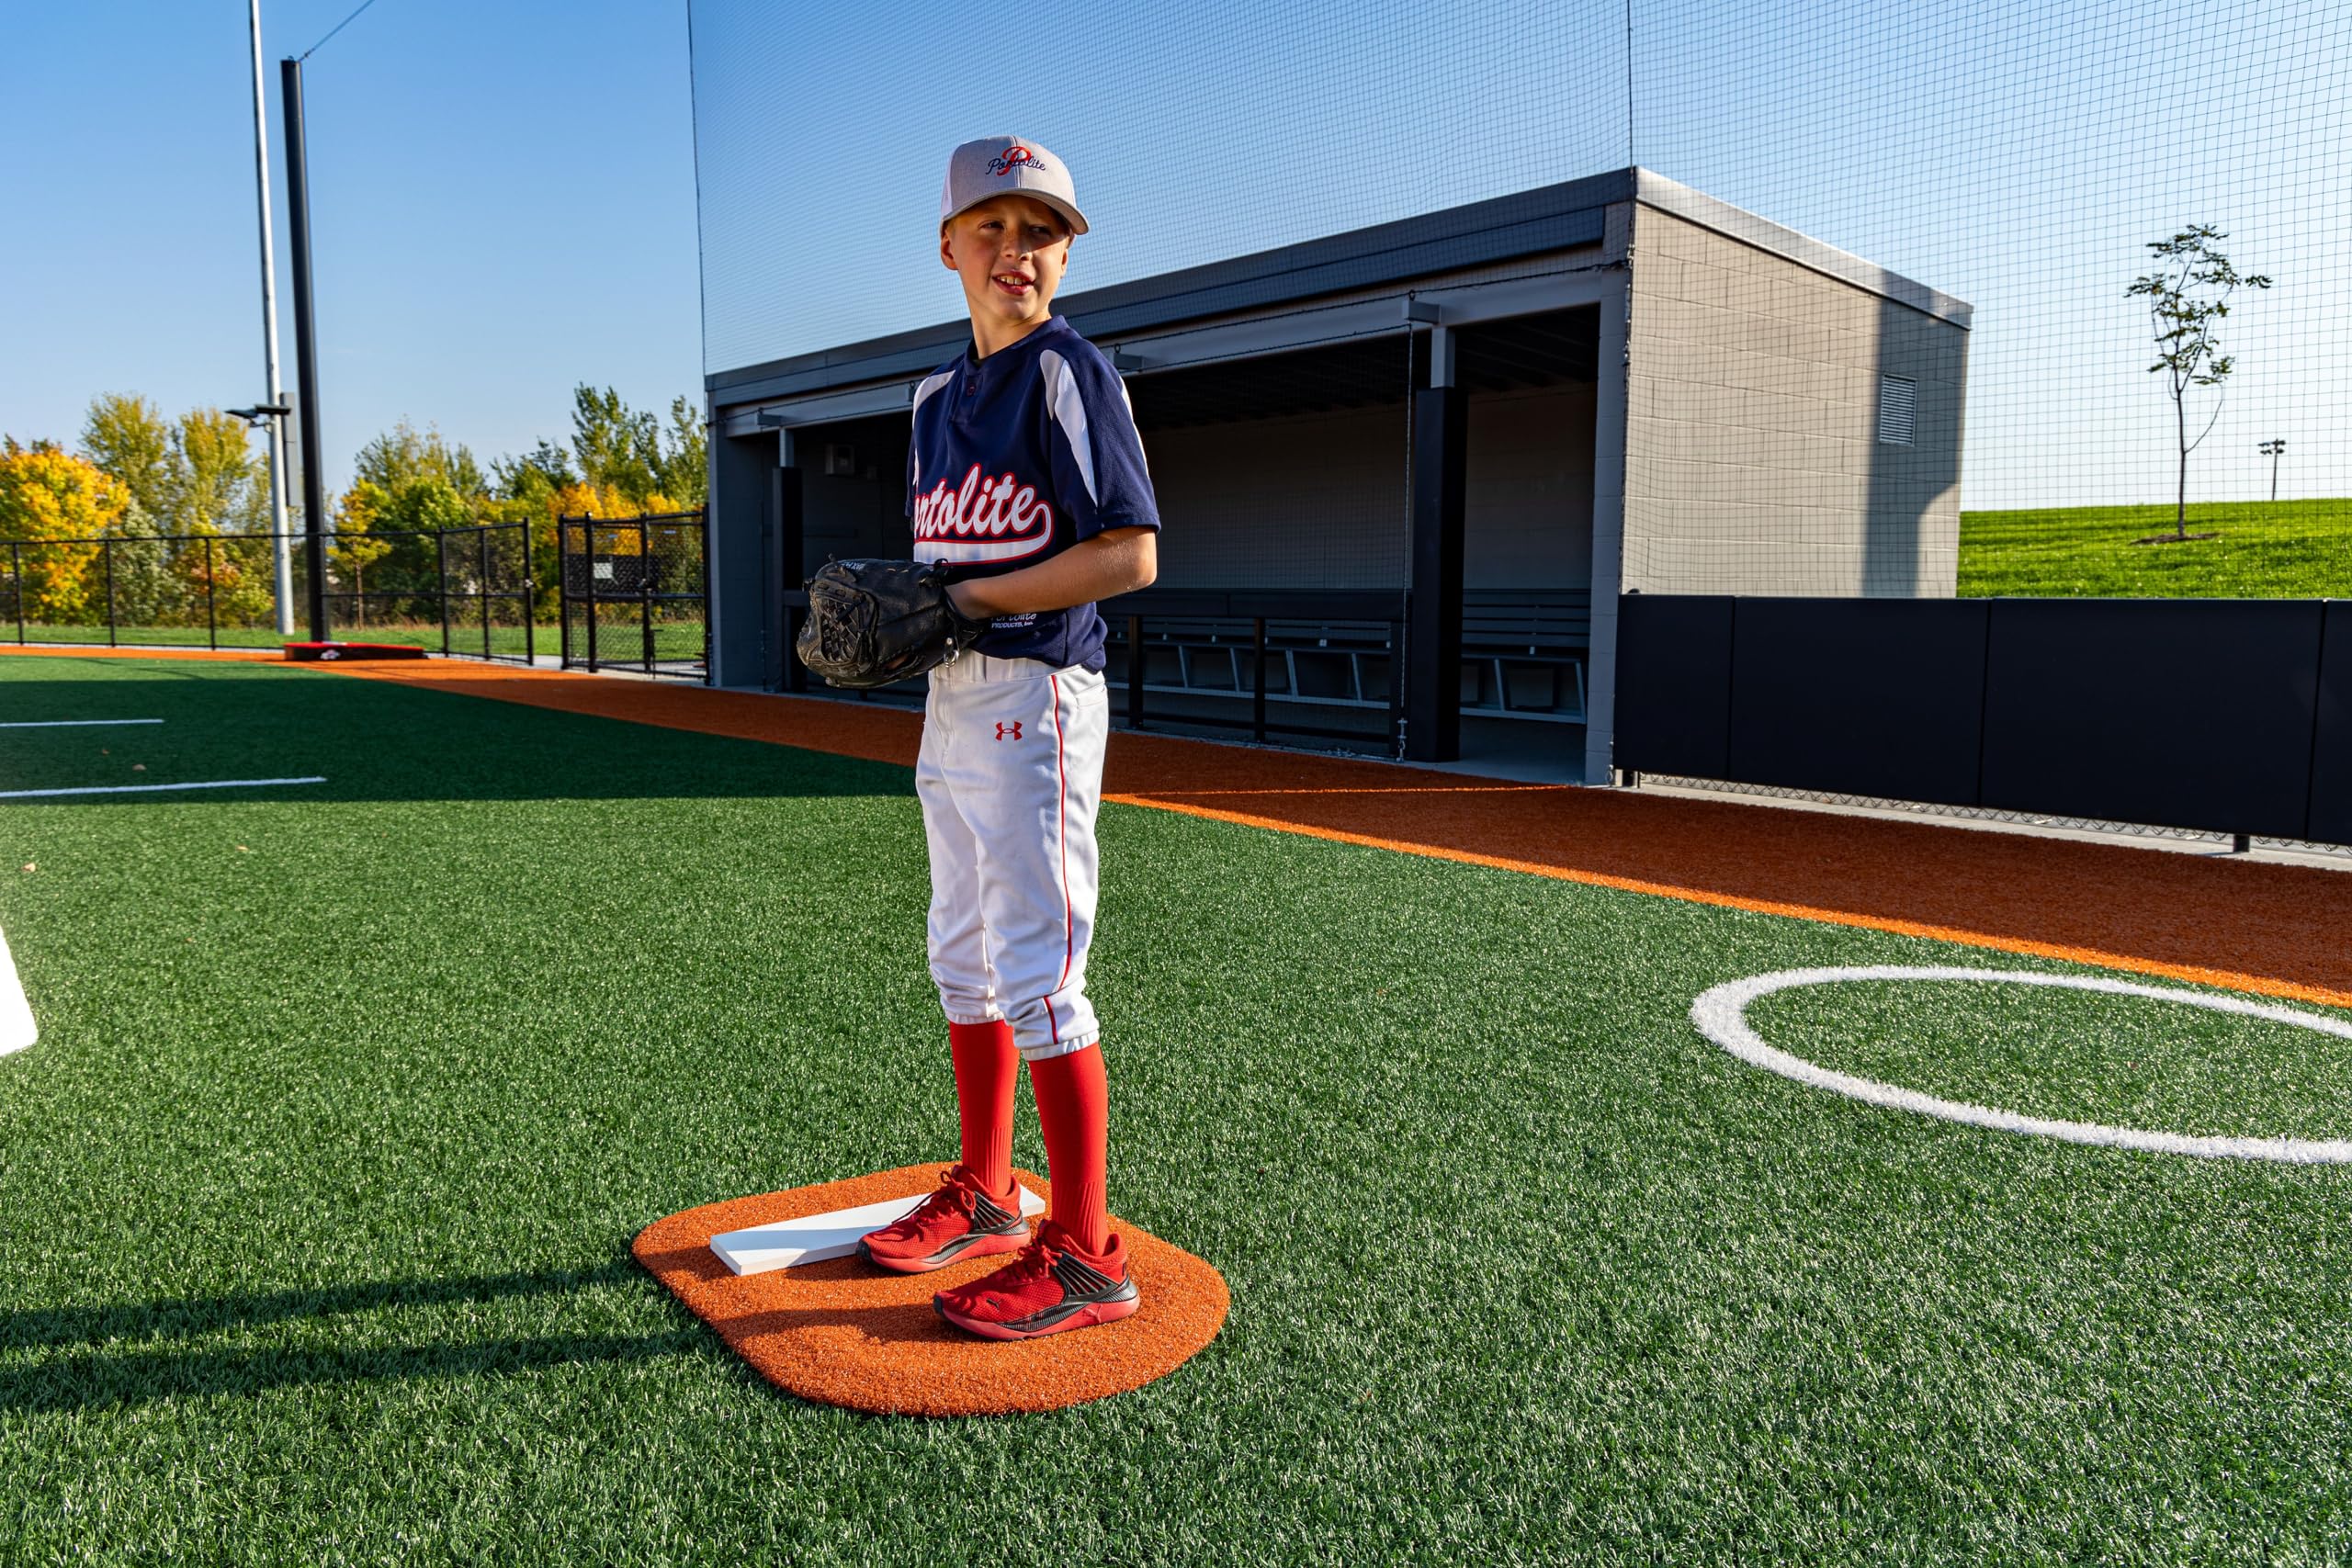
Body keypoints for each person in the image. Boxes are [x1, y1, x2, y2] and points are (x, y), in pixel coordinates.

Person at [854, 136, 1161, 1341]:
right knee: (962, 953)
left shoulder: (1071, 374)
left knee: (1039, 972)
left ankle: (1085, 1255)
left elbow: (1130, 553)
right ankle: (987, 1191)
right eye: (992, 226)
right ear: (949, 247)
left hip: (1039, 696)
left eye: (1041, 231)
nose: (1016, 250)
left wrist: (972, 599)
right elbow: (944, 568)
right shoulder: (933, 399)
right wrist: (939, 611)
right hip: (953, 698)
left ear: (1066, 255)